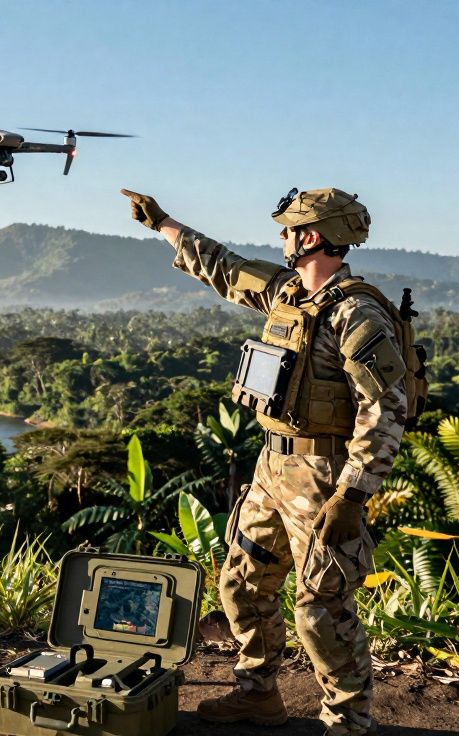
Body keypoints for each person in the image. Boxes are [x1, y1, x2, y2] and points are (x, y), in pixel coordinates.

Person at [120, 187, 408, 736]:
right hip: (271, 469)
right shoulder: (288, 293)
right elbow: (223, 267)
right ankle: (258, 695)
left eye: (288, 230)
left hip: (325, 478)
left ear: (312, 236)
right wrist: (162, 223)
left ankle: (347, 721)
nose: (280, 239)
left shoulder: (357, 314)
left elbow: (385, 409)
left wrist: (352, 494)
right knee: (242, 583)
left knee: (322, 608)